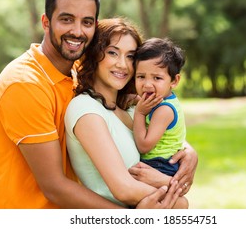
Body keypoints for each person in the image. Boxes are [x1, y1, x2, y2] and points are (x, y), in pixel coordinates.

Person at [0, 0, 181, 209]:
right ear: (46, 22)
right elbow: (54, 186)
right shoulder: (24, 84)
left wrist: (187, 153)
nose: (77, 31)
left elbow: (150, 125)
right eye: (66, 19)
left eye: (87, 22)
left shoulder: (80, 74)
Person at [65, 18, 190, 208]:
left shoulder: (131, 107)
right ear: (95, 55)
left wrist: (189, 152)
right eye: (113, 53)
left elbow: (166, 139)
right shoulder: (85, 109)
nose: (123, 65)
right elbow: (124, 189)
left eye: (131, 56)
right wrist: (176, 195)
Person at [132, 38, 186, 177]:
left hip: (161, 166)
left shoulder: (164, 110)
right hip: (160, 164)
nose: (147, 84)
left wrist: (139, 113)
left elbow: (144, 146)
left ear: (174, 81)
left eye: (157, 78)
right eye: (141, 76)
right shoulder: (161, 100)